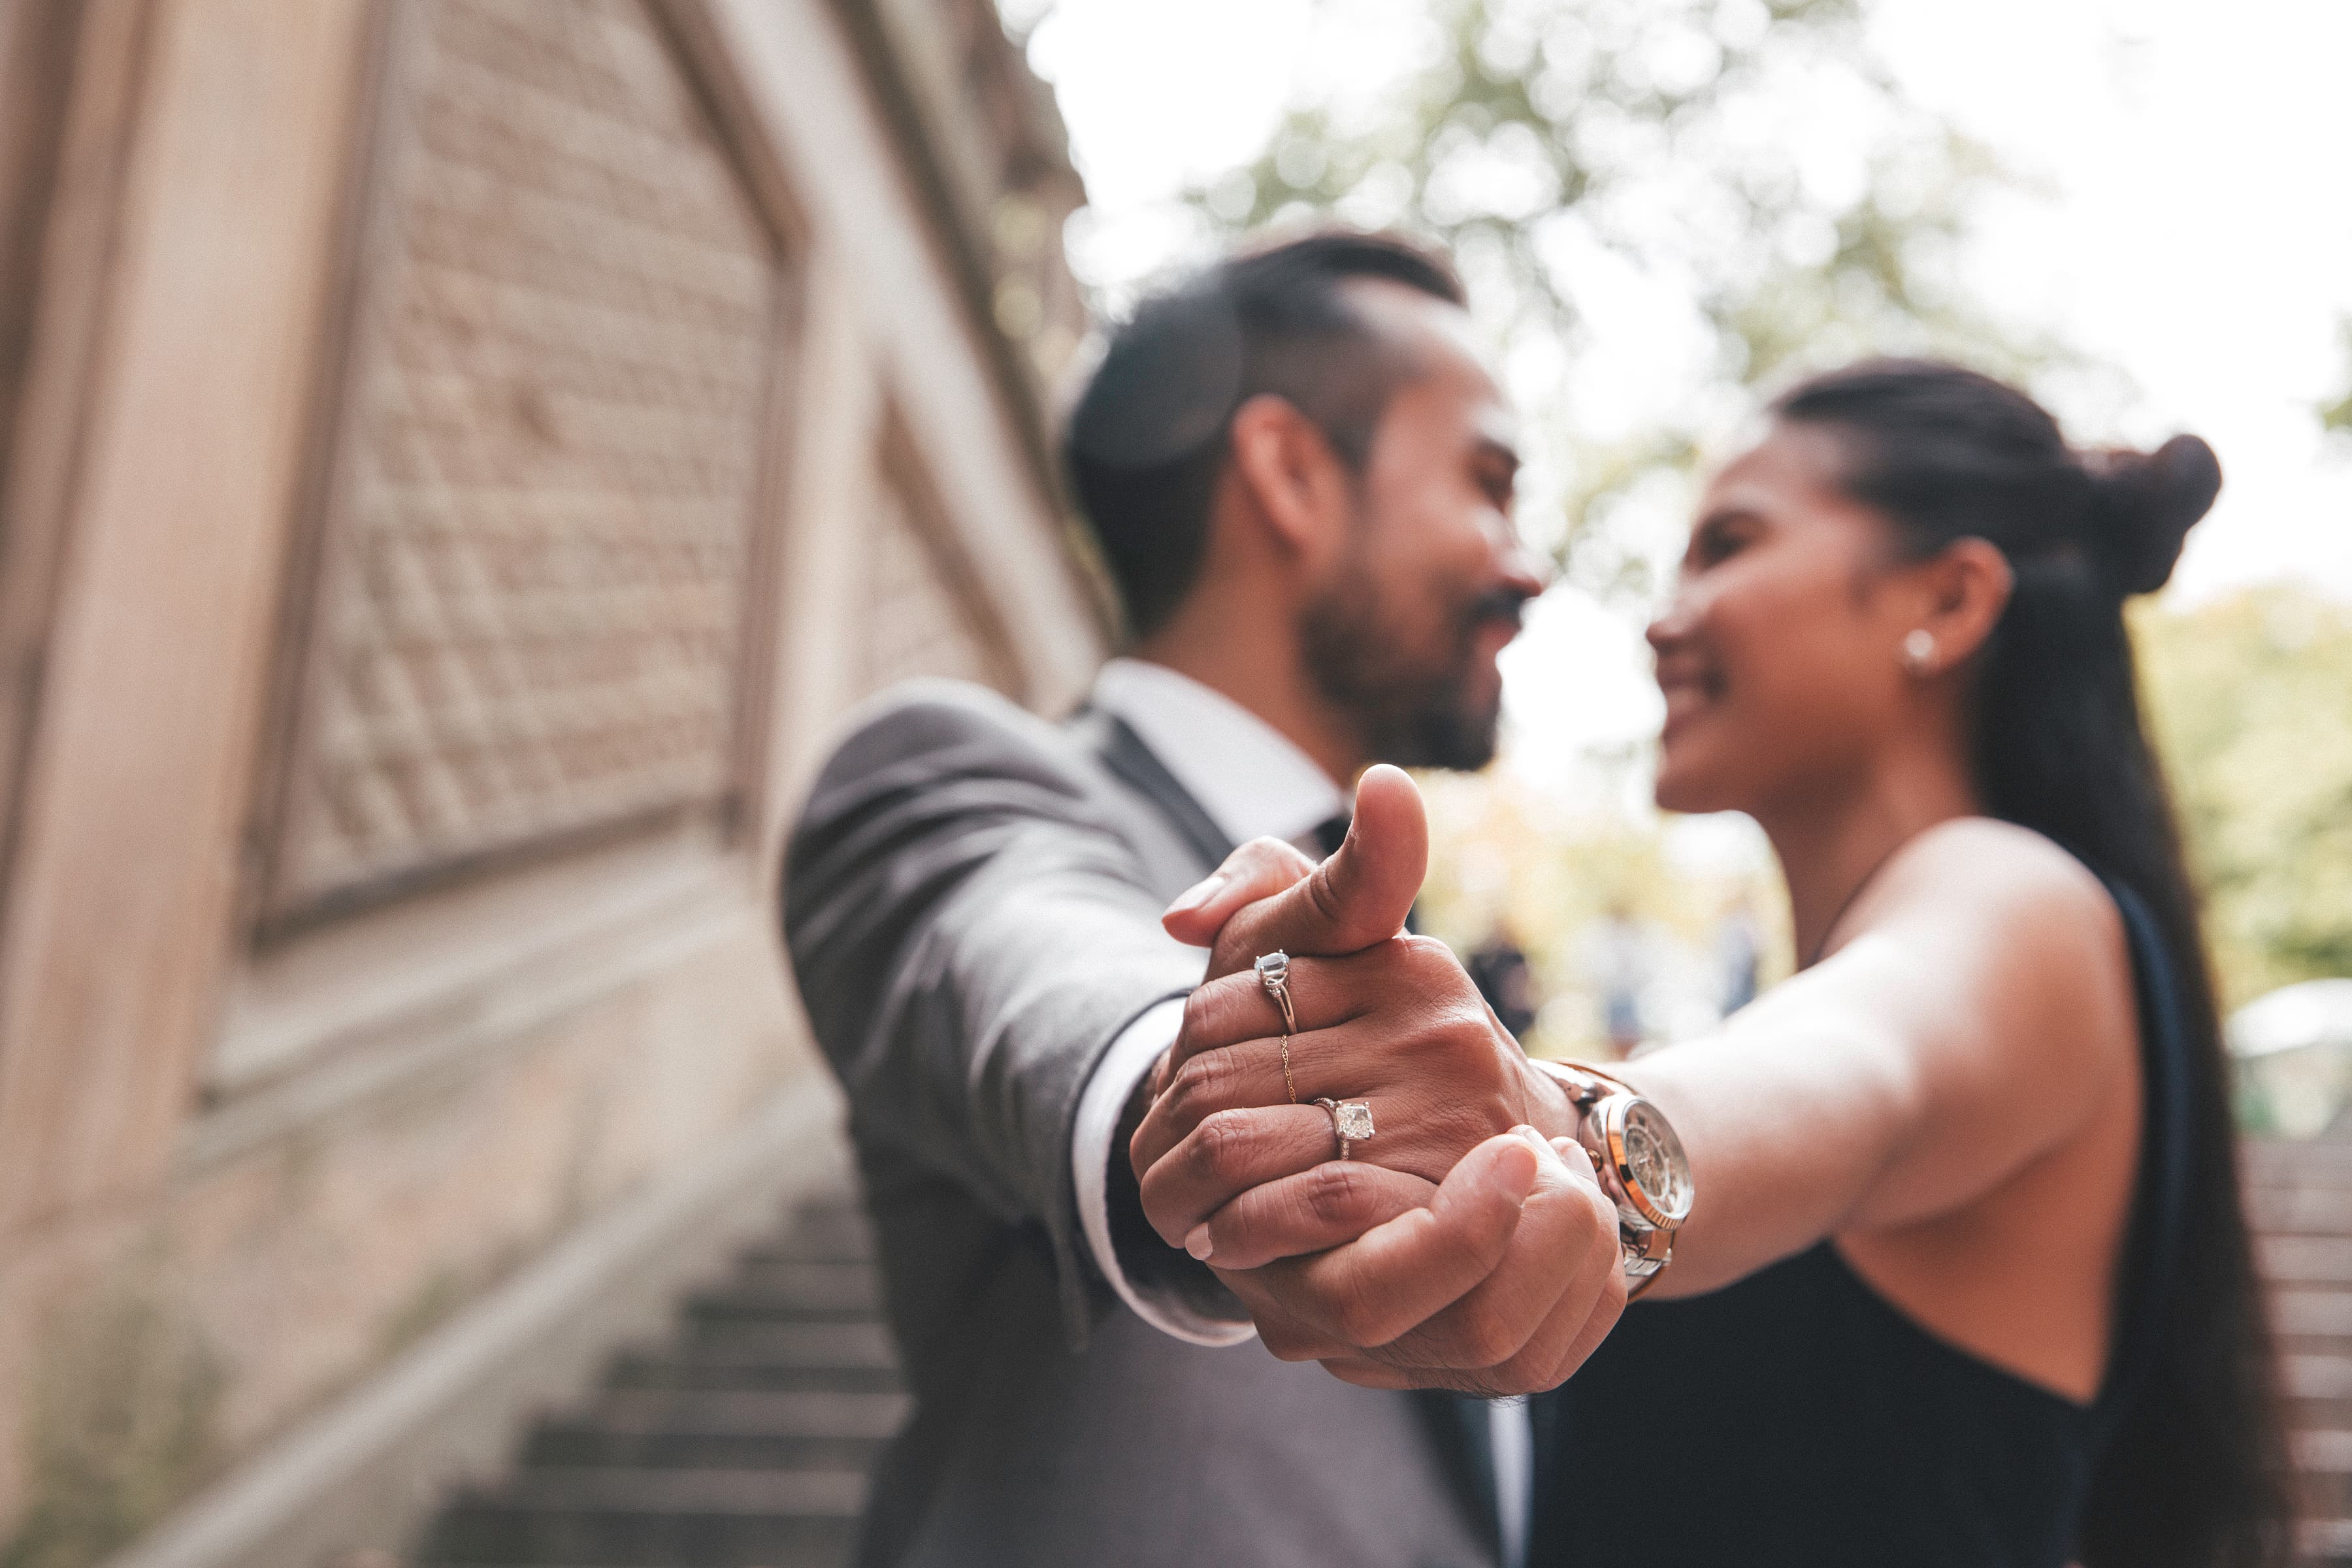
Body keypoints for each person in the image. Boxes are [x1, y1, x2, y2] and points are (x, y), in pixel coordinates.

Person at [1131, 360, 2295, 1567]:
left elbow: (1856, 1072)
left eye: (1729, 544)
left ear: (1948, 604)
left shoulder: (2017, 900)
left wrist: (1551, 1125)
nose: (1661, 616)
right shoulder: (1882, 954)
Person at [781, 230, 1623, 1568]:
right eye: (1487, 482)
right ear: (1290, 474)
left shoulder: (1411, 970)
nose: (1526, 565)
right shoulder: (953, 782)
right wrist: (1207, 1102)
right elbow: (1040, 978)